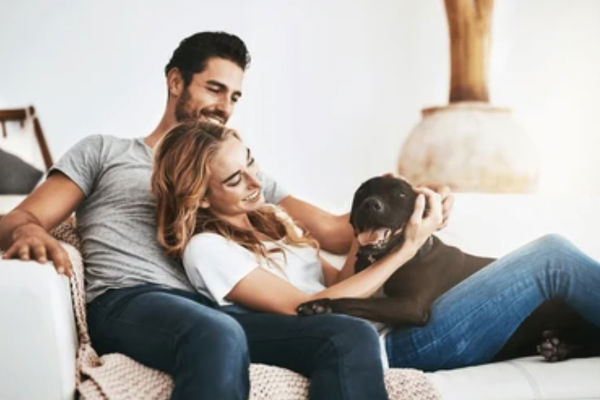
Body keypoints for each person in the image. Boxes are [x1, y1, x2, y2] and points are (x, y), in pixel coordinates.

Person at [0, 31, 439, 399]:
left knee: (347, 335)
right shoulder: (106, 152)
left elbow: (334, 232)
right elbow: (19, 218)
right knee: (215, 333)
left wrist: (400, 199)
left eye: (234, 96)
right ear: (176, 81)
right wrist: (29, 232)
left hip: (212, 305)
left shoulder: (239, 174)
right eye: (214, 89)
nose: (224, 105)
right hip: (132, 300)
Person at [151, 120, 600, 373]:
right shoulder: (207, 250)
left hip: (396, 327)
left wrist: (371, 232)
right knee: (551, 258)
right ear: (200, 196)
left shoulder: (271, 223)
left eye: (251, 163)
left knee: (551, 264)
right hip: (393, 347)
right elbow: (307, 309)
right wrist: (407, 247)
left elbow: (343, 284)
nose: (256, 182)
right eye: (235, 179)